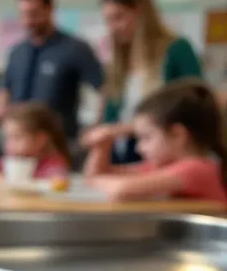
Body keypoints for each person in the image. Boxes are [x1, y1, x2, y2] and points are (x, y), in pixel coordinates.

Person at [82, 0, 203, 164]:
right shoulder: (120, 60)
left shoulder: (176, 50)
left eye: (118, 17)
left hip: (162, 155)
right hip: (121, 154)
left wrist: (122, 129)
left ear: (141, 13)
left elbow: (194, 104)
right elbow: (111, 113)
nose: (113, 27)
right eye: (108, 20)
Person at [84, 80, 226, 203]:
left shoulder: (196, 168)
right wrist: (103, 143)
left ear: (178, 135)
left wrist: (94, 180)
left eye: (146, 138)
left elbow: (122, 190)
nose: (139, 148)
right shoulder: (163, 166)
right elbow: (102, 173)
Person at [0, 0, 104, 141]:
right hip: (20, 143)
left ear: (50, 8)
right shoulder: (16, 52)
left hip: (59, 143)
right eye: (23, 14)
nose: (28, 21)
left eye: (33, 14)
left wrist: (96, 127)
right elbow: (4, 91)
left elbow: (105, 90)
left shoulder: (75, 48)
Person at [0, 102, 71, 179]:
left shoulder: (55, 165)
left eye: (17, 137)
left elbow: (58, 178)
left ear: (41, 139)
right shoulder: (19, 160)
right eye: (8, 138)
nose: (9, 145)